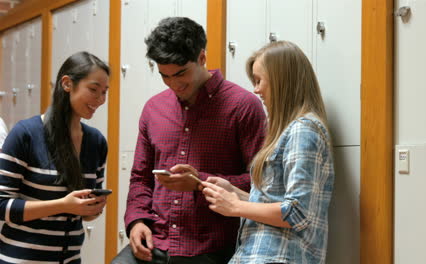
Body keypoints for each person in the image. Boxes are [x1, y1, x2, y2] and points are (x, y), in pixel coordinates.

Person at [112, 17, 266, 264]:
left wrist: (199, 182)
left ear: (202, 57)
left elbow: (261, 182)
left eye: (181, 73)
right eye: (165, 76)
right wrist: (137, 221)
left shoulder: (243, 106)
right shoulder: (153, 109)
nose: (174, 84)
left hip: (211, 248)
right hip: (156, 241)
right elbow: (140, 178)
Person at [202, 41, 335, 264]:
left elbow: (297, 212)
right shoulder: (288, 131)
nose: (256, 90)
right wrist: (236, 193)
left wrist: (235, 207)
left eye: (259, 80)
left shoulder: (304, 130)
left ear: (281, 81)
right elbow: (276, 199)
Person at [0, 51, 109, 263]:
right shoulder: (26, 134)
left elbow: (84, 213)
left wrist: (92, 208)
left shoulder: (96, 142)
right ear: (67, 84)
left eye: (105, 92)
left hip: (70, 259)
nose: (100, 99)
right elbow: (1, 205)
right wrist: (63, 205)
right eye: (94, 89)